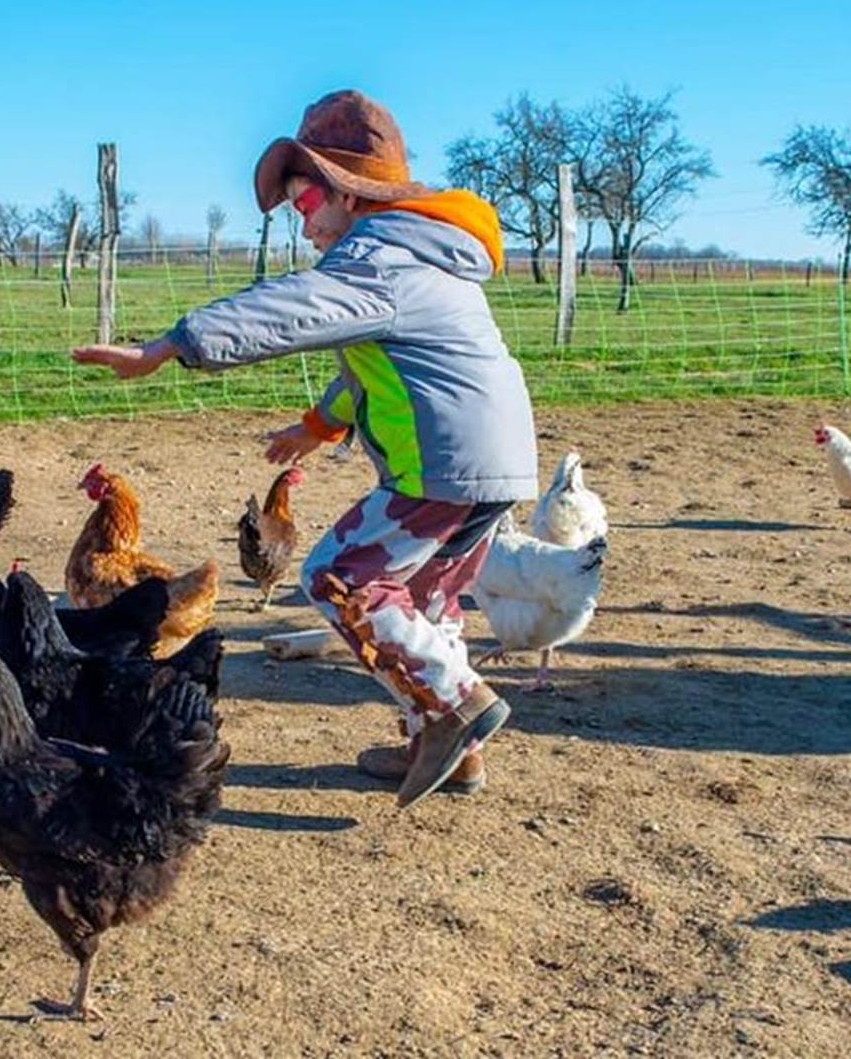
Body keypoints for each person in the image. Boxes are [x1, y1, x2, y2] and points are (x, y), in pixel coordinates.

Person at [73, 90, 538, 810]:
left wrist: (169, 347)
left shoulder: (380, 256)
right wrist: (317, 429)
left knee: (338, 577)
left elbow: (288, 310)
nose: (304, 223)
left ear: (350, 194)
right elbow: (373, 368)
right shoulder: (428, 256)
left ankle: (456, 705)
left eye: (306, 201)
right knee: (425, 600)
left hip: (443, 464)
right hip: (495, 459)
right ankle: (452, 750)